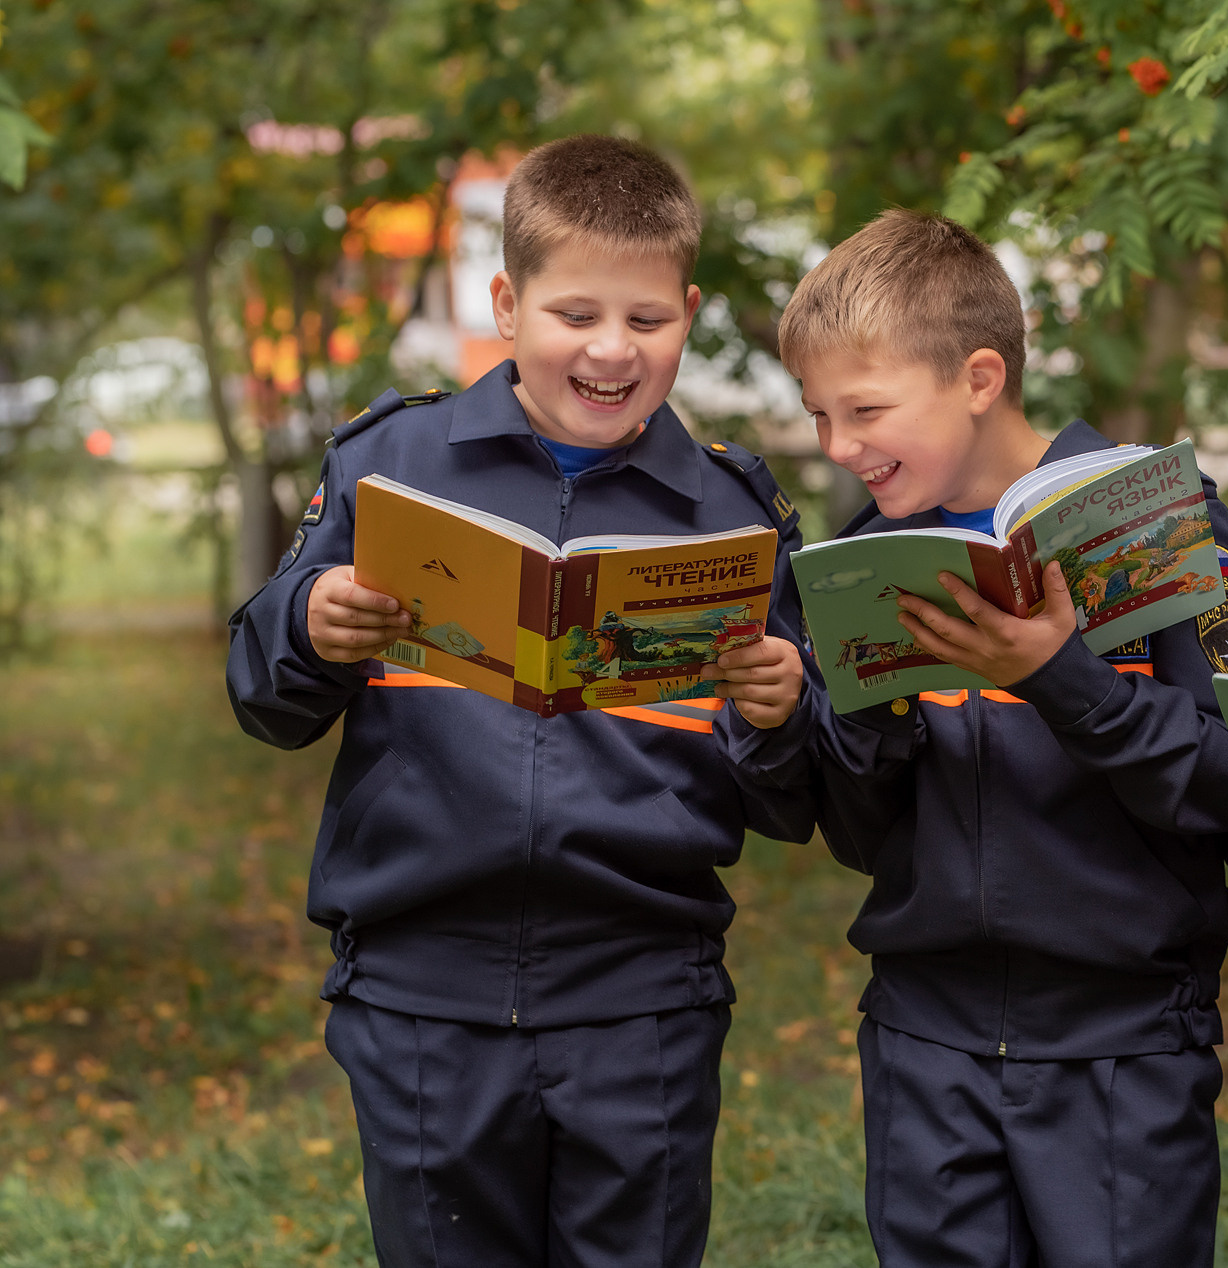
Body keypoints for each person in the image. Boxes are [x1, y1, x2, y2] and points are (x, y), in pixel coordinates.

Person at [226, 134, 809, 1268]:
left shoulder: (733, 514)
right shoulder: (389, 465)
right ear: (506, 301)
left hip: (643, 999)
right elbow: (265, 701)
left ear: (688, 311)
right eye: (574, 313)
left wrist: (781, 712)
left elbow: (795, 799)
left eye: (647, 321)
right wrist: (308, 624)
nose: (610, 348)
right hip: (420, 996)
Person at [732, 209, 1228, 1268]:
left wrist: (1058, 677)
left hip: (1123, 1049)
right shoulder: (861, 561)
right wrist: (833, 714)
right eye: (819, 415)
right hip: (925, 1045)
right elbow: (856, 831)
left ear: (980, 376)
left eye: (866, 409)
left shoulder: (1163, 528)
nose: (839, 447)